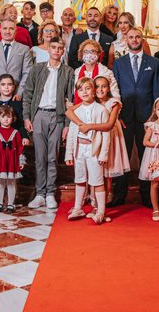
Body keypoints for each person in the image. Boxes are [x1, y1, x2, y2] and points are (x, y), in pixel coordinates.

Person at [22, 38, 75, 210]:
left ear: (63, 51)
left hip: (57, 117)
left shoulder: (68, 72)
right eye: (54, 47)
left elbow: (70, 100)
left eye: (60, 48)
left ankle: (50, 193)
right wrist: (27, 117)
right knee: (40, 156)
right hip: (39, 115)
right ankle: (39, 193)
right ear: (49, 49)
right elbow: (28, 94)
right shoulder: (37, 69)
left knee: (52, 157)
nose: (57, 51)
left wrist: (67, 124)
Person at [112, 27, 159, 207]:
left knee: (145, 157)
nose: (134, 39)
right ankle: (119, 196)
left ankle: (147, 197)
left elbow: (157, 91)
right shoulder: (119, 63)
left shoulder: (153, 63)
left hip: (146, 118)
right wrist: (116, 114)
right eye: (131, 37)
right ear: (126, 40)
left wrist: (153, 117)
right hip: (124, 117)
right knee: (122, 156)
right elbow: (114, 90)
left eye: (137, 37)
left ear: (142, 39)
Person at [66, 75, 129, 204]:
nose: (100, 89)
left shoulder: (113, 102)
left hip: (110, 137)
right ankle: (93, 199)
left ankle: (106, 201)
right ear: (94, 89)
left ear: (108, 89)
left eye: (104, 86)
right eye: (98, 86)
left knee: (107, 171)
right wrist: (80, 124)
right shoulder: (89, 102)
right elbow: (69, 112)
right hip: (95, 139)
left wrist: (88, 127)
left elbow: (109, 125)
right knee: (95, 172)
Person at [65, 77, 111, 224]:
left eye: (87, 88)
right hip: (79, 149)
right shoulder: (76, 110)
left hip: (94, 150)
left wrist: (103, 153)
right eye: (80, 89)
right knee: (80, 179)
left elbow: (106, 134)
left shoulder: (101, 110)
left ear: (93, 91)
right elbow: (72, 133)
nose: (84, 92)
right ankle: (78, 207)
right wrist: (69, 153)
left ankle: (101, 211)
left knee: (97, 181)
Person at [0, 73, 29, 208]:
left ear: (14, 87)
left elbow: (20, 123)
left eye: (9, 84)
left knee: (11, 173)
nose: (6, 87)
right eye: (3, 85)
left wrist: (24, 136)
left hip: (11, 146)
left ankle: (11, 199)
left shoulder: (16, 102)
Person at [0, 19, 33, 103]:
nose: (8, 31)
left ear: (16, 31)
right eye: (5, 28)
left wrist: (19, 92)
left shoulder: (24, 49)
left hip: (16, 97)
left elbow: (27, 73)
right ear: (0, 30)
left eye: (11, 29)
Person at [0, 105, 24, 213]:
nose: (6, 119)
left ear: (13, 118)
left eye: (9, 117)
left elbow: (20, 148)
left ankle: (11, 204)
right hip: (0, 162)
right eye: (3, 116)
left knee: (11, 183)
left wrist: (21, 160)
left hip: (12, 162)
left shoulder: (16, 133)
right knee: (0, 183)